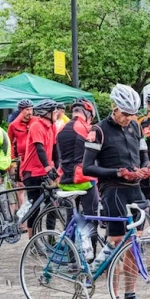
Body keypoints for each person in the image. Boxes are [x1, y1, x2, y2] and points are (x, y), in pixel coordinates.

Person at [83, 84, 150, 299]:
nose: (128, 118)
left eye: (132, 114)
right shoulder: (99, 130)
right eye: (124, 113)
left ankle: (130, 297)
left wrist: (146, 168)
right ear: (114, 108)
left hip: (135, 189)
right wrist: (117, 172)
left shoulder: (136, 127)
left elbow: (144, 156)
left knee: (135, 244)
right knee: (116, 244)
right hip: (113, 190)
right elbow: (88, 167)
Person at [57, 98, 99, 251]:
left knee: (70, 220)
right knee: (91, 218)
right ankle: (92, 255)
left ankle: (71, 259)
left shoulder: (61, 128)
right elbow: (93, 154)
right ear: (88, 114)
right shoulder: (85, 127)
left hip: (65, 180)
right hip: (84, 179)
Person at [20, 99, 60, 237]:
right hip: (32, 172)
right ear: (46, 113)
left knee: (52, 206)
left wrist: (59, 168)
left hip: (44, 171)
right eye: (54, 111)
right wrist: (49, 168)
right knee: (35, 208)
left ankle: (51, 239)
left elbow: (55, 149)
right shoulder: (36, 125)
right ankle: (32, 240)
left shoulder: (52, 126)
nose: (57, 114)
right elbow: (39, 148)